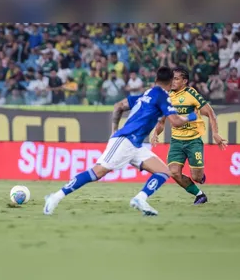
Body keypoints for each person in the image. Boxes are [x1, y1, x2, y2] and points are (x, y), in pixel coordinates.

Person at [43, 66, 198, 216]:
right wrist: (191, 116)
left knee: (164, 172)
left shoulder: (146, 94)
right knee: (98, 172)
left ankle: (140, 199)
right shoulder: (163, 96)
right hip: (126, 140)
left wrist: (114, 129)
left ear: (156, 78)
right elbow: (176, 122)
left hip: (135, 145)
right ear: (170, 81)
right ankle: (55, 197)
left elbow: (119, 106)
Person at [151, 67, 227, 205]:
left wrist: (215, 133)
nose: (172, 81)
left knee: (196, 177)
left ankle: (200, 176)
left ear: (184, 81)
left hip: (193, 141)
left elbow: (210, 113)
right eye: (172, 78)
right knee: (173, 172)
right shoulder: (167, 96)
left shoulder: (191, 94)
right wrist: (156, 133)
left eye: (176, 79)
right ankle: (200, 195)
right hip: (176, 141)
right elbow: (162, 121)